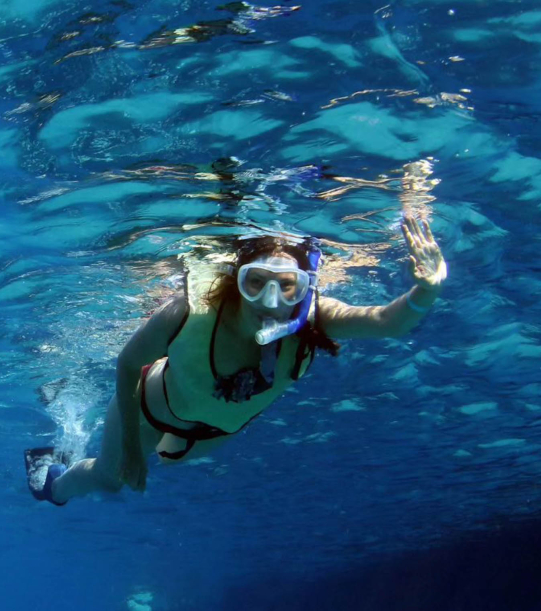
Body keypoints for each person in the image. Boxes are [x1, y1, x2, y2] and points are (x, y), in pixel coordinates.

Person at [25, 215, 446, 505]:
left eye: (287, 286)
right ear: (236, 280)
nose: (269, 301)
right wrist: (133, 447)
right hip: (150, 411)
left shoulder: (314, 318)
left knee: (168, 464)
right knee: (111, 480)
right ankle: (52, 481)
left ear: (305, 288)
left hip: (210, 432)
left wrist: (425, 291)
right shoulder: (190, 311)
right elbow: (127, 362)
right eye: (256, 283)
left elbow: (386, 321)